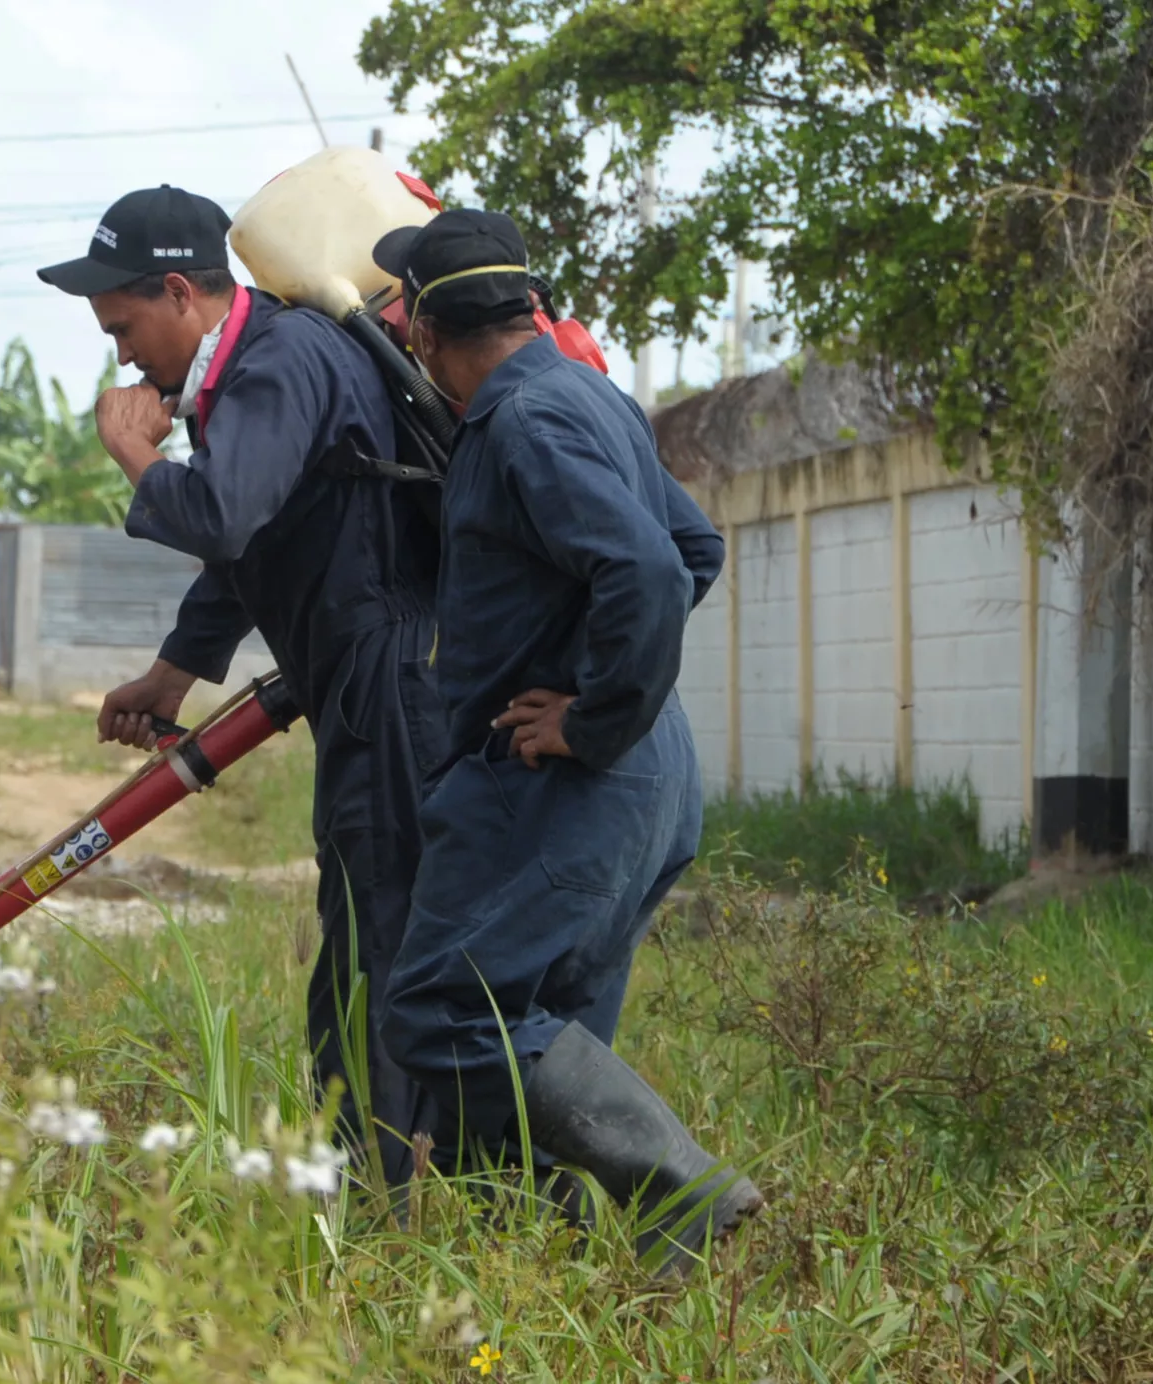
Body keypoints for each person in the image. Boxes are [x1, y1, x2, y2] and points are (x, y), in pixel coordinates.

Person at [368, 209, 760, 1273]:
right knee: (536, 1016)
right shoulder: (588, 394)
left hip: (565, 782)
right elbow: (694, 545)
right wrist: (604, 691)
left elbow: (644, 573)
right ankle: (552, 1263)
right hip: (644, 778)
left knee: (441, 1007)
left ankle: (682, 1188)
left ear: (428, 331)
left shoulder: (523, 422)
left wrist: (588, 713)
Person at [37, 185, 443, 1189]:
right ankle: (388, 1180)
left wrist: (132, 449)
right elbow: (252, 546)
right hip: (363, 679)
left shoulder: (278, 361)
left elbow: (221, 517)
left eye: (124, 328)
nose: (123, 359)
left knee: (377, 953)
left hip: (387, 682)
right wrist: (173, 672)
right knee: (363, 944)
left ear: (180, 292)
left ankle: (395, 1199)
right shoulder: (258, 364)